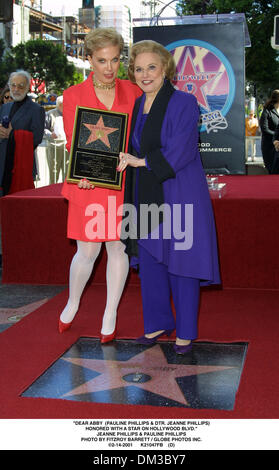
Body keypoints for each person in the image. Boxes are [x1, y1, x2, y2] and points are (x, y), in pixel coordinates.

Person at [118, 40, 220, 355]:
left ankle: (186, 331)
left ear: (165, 68)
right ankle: (158, 323)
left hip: (179, 190)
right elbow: (131, 147)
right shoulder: (137, 105)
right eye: (138, 68)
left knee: (181, 261)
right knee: (150, 260)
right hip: (146, 191)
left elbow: (182, 148)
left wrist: (141, 162)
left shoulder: (185, 102)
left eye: (151, 67)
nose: (145, 74)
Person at [59, 28, 142, 342]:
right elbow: (72, 143)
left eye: (115, 60)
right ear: (90, 59)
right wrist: (81, 168)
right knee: (88, 251)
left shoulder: (133, 92)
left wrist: (135, 156)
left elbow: (141, 137)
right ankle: (73, 301)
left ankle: (111, 313)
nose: (109, 68)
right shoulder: (73, 95)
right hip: (88, 185)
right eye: (102, 60)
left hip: (122, 183)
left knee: (118, 248)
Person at [0, 70, 45, 196]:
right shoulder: (4, 108)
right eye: (13, 85)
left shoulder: (37, 110)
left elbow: (36, 138)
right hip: (2, 164)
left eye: (21, 86)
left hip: (21, 166)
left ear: (27, 87)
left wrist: (13, 134)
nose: (16, 89)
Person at [44, 95, 68, 184]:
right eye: (63, 104)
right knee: (54, 172)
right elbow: (44, 128)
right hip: (53, 147)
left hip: (67, 147)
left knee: (67, 173)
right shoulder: (50, 114)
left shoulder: (71, 114)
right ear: (59, 105)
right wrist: (50, 134)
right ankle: (52, 194)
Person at [259, 90, 279, 173]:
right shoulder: (267, 111)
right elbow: (265, 129)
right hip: (269, 147)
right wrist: (277, 136)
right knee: (272, 171)